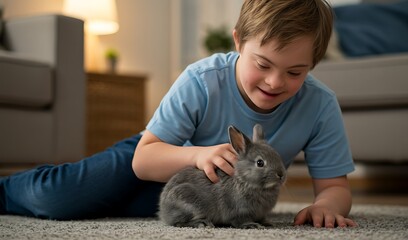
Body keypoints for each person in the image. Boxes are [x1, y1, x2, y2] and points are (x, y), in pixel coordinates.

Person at [0, 0, 357, 228]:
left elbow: (335, 187)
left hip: (203, 193)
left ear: (313, 64)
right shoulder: (203, 80)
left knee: (126, 210)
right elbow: (144, 160)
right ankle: (5, 189)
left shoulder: (320, 104)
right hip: (157, 156)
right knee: (61, 199)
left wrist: (326, 206)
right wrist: (199, 154)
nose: (275, 81)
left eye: (295, 72)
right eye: (262, 64)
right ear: (237, 42)